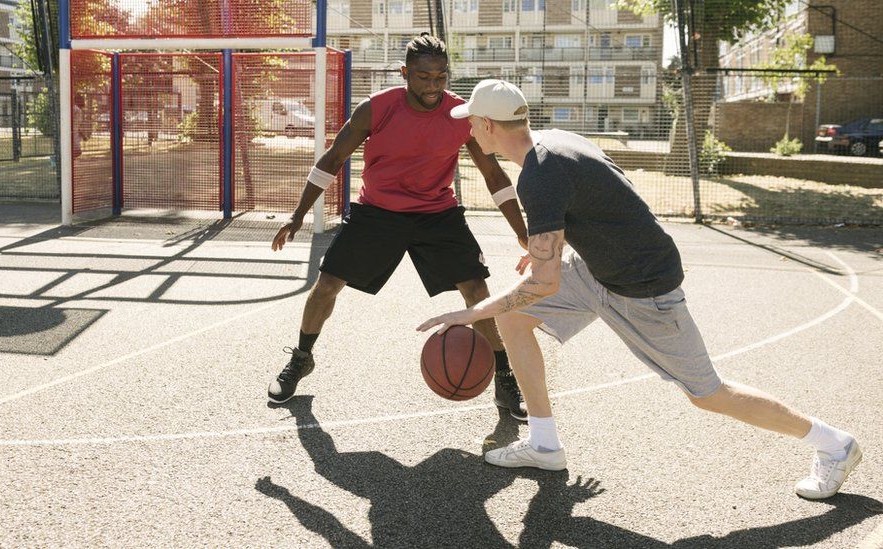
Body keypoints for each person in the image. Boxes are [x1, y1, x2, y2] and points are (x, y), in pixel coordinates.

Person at [418, 79, 861, 499]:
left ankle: (834, 444)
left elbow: (543, 282)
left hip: (645, 289)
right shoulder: (554, 142)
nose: (469, 128)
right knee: (513, 318)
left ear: (489, 126)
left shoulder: (538, 174)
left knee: (709, 395)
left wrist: (470, 313)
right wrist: (551, 246)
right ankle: (545, 444)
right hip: (597, 268)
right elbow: (605, 202)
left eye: (472, 120)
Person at [267, 35, 529, 420]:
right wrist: (298, 213)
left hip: (437, 213)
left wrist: (520, 230)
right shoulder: (376, 109)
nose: (433, 85)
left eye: (440, 76)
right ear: (405, 73)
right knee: (326, 285)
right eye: (423, 76)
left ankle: (505, 378)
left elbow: (493, 174)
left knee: (476, 288)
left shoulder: (460, 114)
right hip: (378, 211)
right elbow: (334, 157)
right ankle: (302, 358)